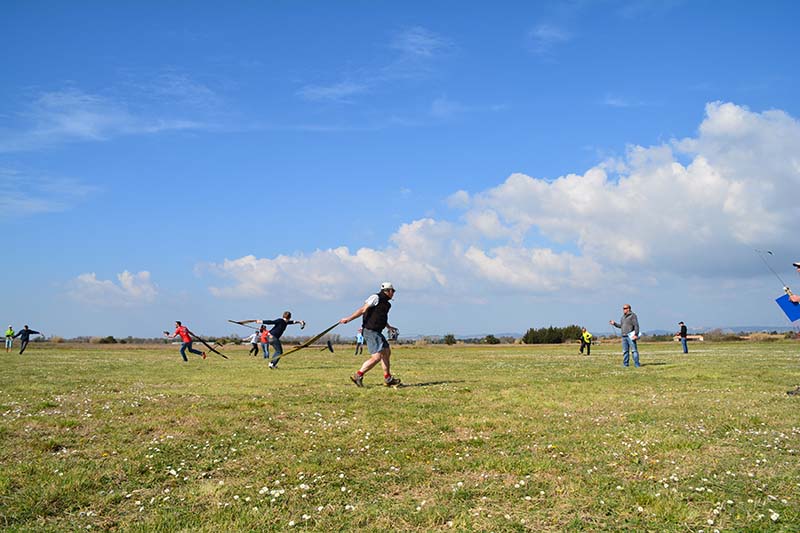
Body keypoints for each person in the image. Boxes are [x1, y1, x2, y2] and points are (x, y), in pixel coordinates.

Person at [341, 282, 401, 387]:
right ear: (388, 291)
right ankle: (358, 375)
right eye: (393, 291)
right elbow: (363, 310)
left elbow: (380, 316)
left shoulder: (387, 304)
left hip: (377, 331)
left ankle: (388, 378)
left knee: (386, 352)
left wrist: (388, 327)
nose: (394, 293)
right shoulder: (375, 298)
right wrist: (348, 319)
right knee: (377, 357)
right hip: (370, 330)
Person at [239, 312, 306, 369]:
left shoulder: (285, 322)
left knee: (278, 351)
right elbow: (271, 322)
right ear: (290, 317)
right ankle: (272, 364)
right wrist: (260, 321)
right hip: (272, 337)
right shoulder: (280, 321)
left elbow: (291, 322)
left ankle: (272, 363)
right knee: (279, 352)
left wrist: (299, 322)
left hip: (270, 337)